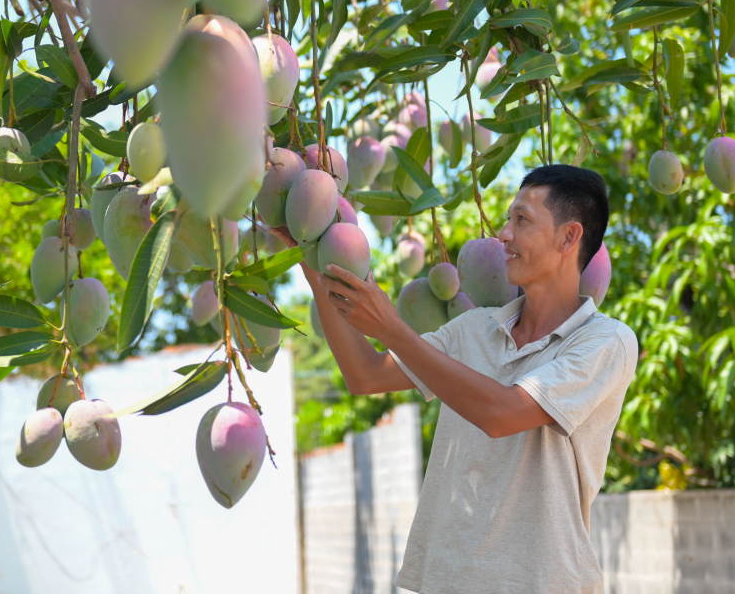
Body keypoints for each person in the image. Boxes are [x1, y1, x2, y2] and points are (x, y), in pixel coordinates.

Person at [272, 164, 637, 593]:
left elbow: (502, 413)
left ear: (569, 237)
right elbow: (365, 375)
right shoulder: (474, 329)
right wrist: (314, 262)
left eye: (521, 220)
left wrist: (393, 328)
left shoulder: (605, 340)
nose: (503, 234)